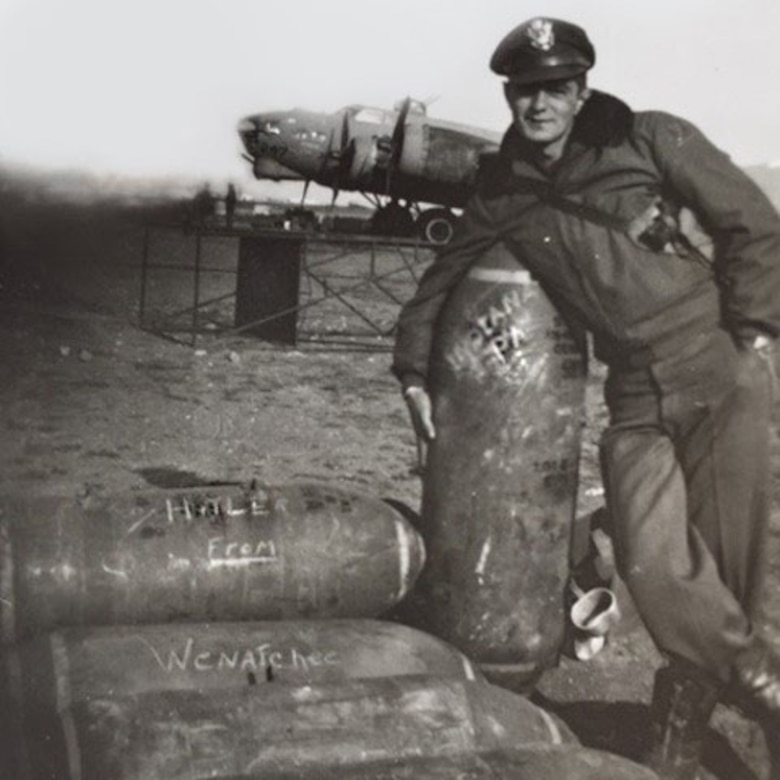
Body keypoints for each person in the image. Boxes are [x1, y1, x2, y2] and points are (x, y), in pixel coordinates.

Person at [392, 17, 780, 780]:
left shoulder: (648, 139)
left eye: (554, 89)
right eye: (524, 91)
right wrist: (410, 375)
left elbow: (755, 224)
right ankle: (767, 685)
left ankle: (676, 738)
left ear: (580, 91)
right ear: (509, 96)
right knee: (651, 560)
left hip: (718, 371)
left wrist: (756, 336)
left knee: (726, 575)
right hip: (634, 392)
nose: (539, 105)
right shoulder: (503, 190)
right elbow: (438, 287)